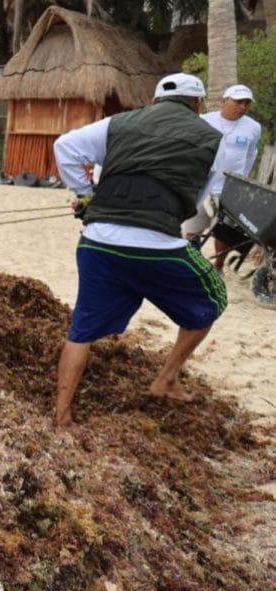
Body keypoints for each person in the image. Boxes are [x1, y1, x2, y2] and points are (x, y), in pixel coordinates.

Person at [52, 72, 228, 428]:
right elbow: (200, 197)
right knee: (213, 300)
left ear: (154, 101)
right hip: (158, 246)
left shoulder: (119, 123)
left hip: (98, 242)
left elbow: (64, 147)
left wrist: (86, 195)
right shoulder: (214, 139)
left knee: (81, 330)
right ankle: (166, 378)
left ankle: (61, 416)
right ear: (198, 105)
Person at [201, 84, 262, 270]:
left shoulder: (253, 127)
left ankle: (218, 267)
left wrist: (240, 179)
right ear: (224, 101)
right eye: (238, 101)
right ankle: (189, 265)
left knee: (224, 232)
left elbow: (251, 154)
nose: (243, 106)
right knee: (192, 228)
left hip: (231, 189)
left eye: (246, 103)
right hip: (203, 185)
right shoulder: (204, 120)